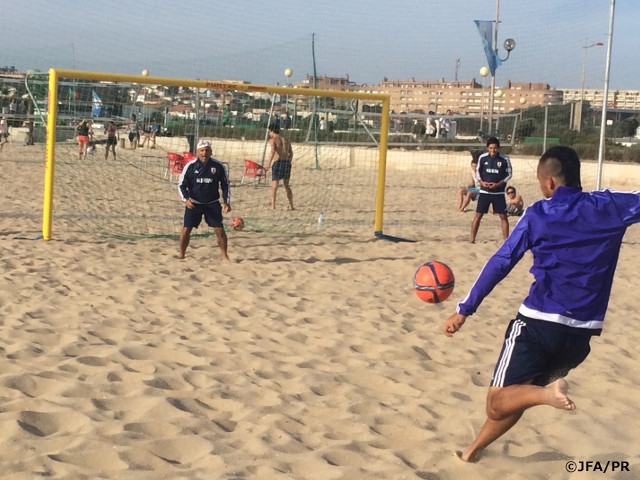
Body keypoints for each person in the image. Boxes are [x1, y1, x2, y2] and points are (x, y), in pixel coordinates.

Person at [444, 145, 640, 463]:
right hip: (579, 340)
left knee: (497, 402)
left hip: (537, 325)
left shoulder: (539, 213)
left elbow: (501, 261)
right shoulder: (610, 205)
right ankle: (473, 450)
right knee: (517, 394)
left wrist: (464, 309)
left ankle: (546, 395)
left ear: (549, 182)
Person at [178, 140, 231, 261]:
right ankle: (181, 255)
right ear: (197, 152)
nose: (204, 153)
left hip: (212, 203)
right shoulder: (190, 166)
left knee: (219, 229)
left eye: (207, 150)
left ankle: (224, 255)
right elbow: (181, 185)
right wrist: (186, 199)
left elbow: (225, 185)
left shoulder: (218, 166)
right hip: (194, 203)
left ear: (211, 152)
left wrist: (226, 202)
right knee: (186, 229)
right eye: (202, 150)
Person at [470, 137, 512, 243]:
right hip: (485, 192)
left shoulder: (504, 159)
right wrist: (482, 182)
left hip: (498, 192)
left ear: (498, 148)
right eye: (491, 148)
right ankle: (472, 239)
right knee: (478, 215)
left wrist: (498, 184)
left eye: (495, 148)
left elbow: (509, 174)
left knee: (503, 216)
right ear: (487, 148)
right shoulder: (482, 158)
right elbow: (478, 172)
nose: (493, 150)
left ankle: (506, 240)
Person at [265, 123, 294, 210]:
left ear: (272, 131)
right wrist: (288, 162)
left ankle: (273, 206)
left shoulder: (272, 140)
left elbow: (273, 151)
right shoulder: (285, 139)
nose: (269, 133)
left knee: (274, 186)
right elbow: (291, 153)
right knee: (286, 185)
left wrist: (268, 164)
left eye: (269, 131)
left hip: (278, 163)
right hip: (286, 163)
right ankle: (292, 205)